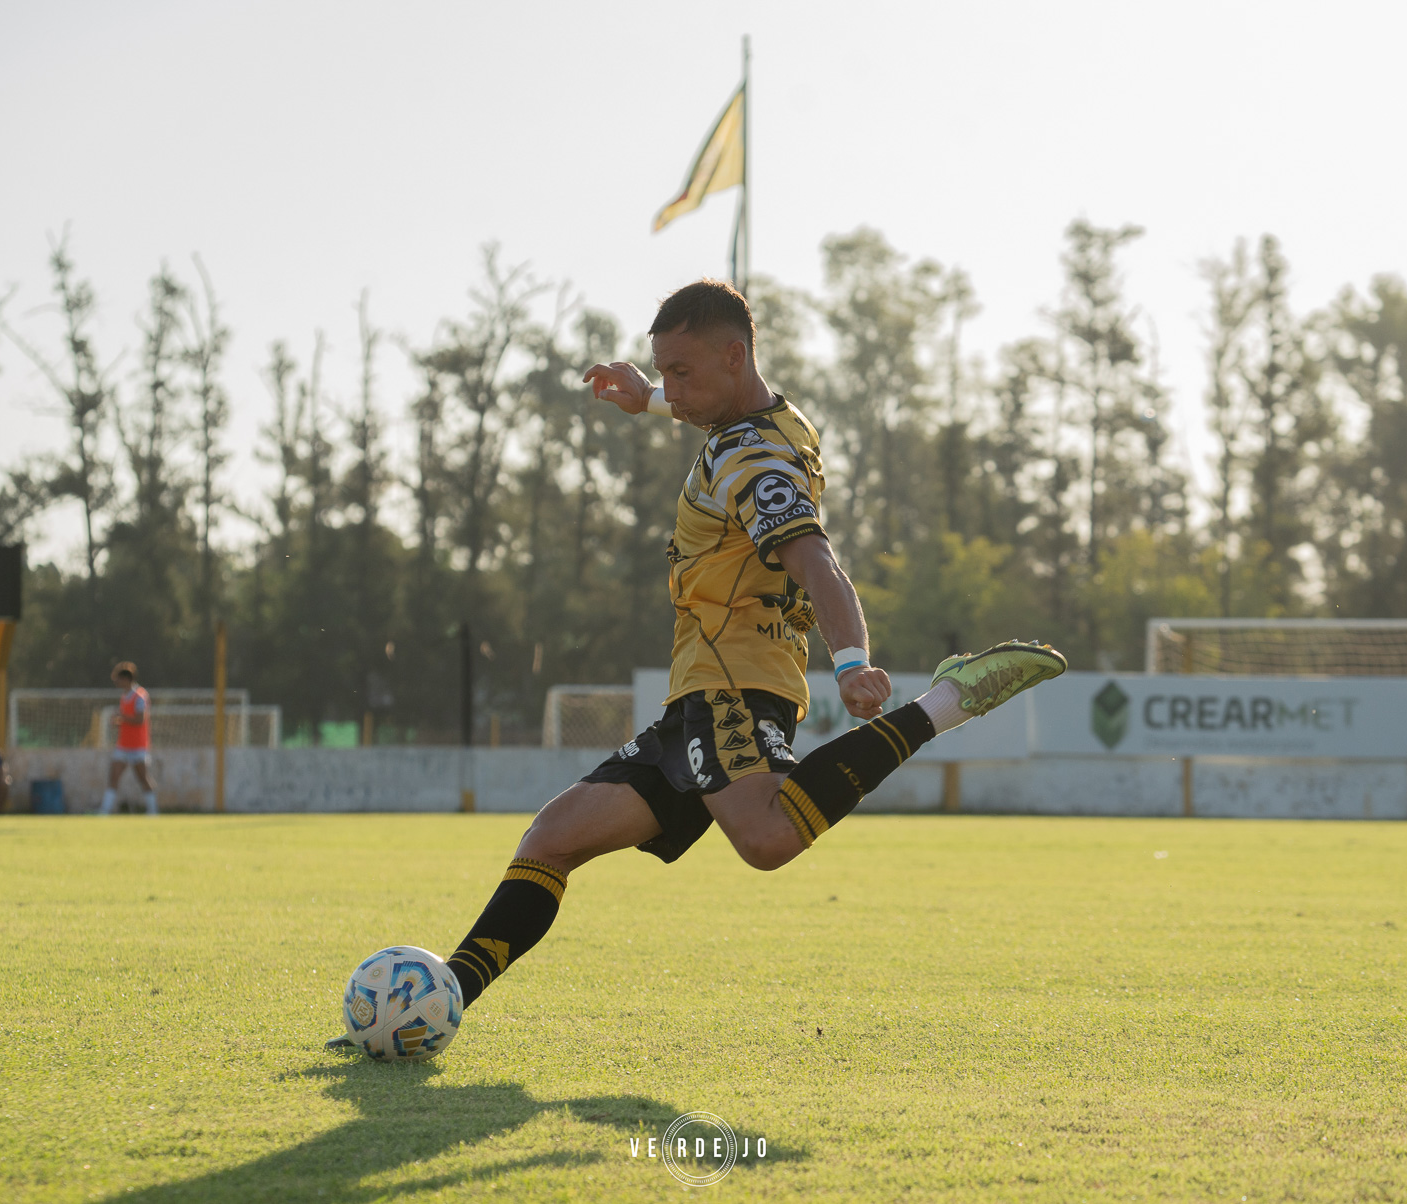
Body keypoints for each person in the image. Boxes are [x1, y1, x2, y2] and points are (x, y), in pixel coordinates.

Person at [331, 280, 1065, 1049]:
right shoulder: (773, 422)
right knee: (552, 839)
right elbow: (731, 430)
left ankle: (945, 704)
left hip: (733, 689)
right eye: (664, 370)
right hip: (702, 695)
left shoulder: (754, 461)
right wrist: (650, 399)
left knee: (767, 840)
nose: (672, 389)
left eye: (681, 372)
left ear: (734, 355)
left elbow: (818, 563)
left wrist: (852, 661)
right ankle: (436, 1009)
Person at [100, 662, 157, 815]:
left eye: (118, 679)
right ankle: (104, 811)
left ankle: (153, 811)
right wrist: (117, 721)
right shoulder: (124, 696)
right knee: (114, 777)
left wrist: (122, 717)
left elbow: (140, 719)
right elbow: (126, 719)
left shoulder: (140, 695)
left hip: (138, 746)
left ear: (126, 679)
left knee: (143, 778)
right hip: (123, 745)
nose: (116, 682)